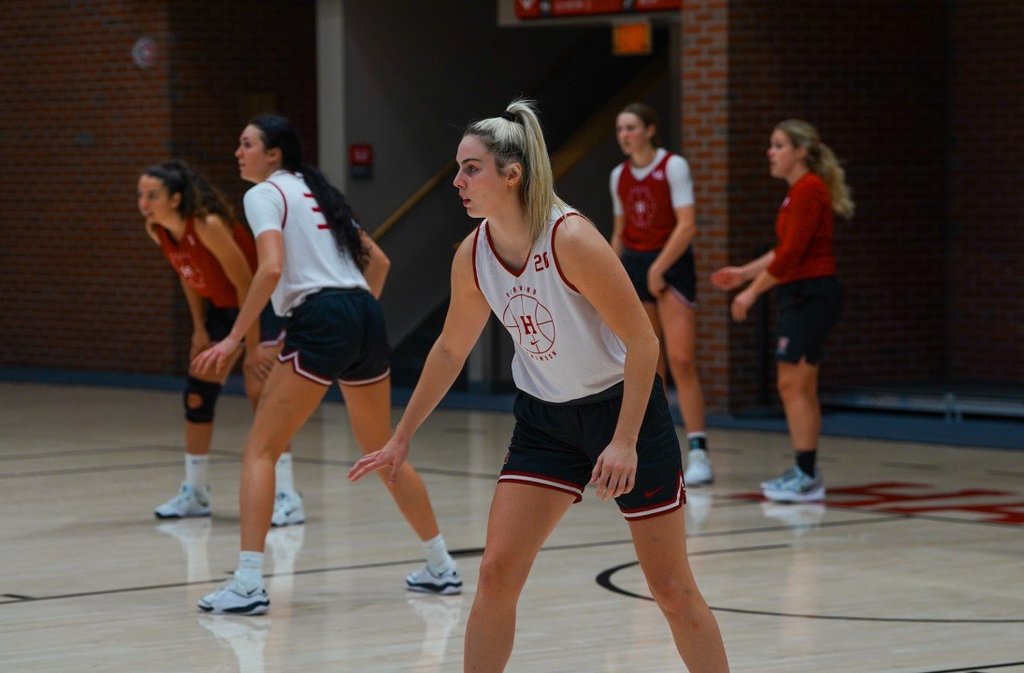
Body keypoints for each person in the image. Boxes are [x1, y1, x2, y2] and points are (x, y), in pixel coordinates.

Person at [349, 100, 730, 673]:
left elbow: (643, 342)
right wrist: (401, 436)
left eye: (470, 168)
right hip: (545, 422)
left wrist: (624, 441)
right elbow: (450, 349)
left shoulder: (570, 238)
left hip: (621, 412)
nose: (457, 181)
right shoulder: (473, 255)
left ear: (512, 174)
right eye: (458, 169)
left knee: (672, 589)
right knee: (495, 573)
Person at [192, 115, 461, 615]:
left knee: (260, 450)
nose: (238, 153)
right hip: (362, 311)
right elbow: (378, 263)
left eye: (246, 144)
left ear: (274, 154)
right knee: (381, 450)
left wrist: (233, 338)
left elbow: (271, 268)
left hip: (323, 313)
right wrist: (346, 323)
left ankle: (248, 584)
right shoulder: (317, 193)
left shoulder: (264, 193)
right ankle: (441, 564)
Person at [138, 160, 305, 527]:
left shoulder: (207, 224)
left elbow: (246, 283)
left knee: (260, 390)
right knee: (198, 391)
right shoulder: (158, 229)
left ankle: (287, 495)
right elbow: (188, 275)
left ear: (176, 199)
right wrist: (199, 327)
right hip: (222, 308)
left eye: (152, 196)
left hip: (262, 304)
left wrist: (251, 347)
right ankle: (195, 493)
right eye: (141, 195)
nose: (144, 203)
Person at [710, 119, 853, 503]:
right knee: (796, 385)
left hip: (811, 295)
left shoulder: (809, 189)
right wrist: (744, 273)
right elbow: (784, 249)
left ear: (800, 151)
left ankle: (807, 474)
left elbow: (790, 256)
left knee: (794, 385)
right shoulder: (799, 192)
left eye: (778, 145)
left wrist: (750, 293)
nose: (770, 153)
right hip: (802, 295)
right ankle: (805, 470)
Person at [610, 102, 714, 486]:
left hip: (671, 263)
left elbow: (687, 226)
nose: (625, 135)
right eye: (620, 129)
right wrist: (607, 274)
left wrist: (659, 268)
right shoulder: (618, 175)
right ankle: (657, 450)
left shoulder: (673, 166)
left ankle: (699, 452)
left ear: (650, 130)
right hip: (636, 265)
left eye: (631, 127)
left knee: (681, 359)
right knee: (649, 366)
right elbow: (620, 232)